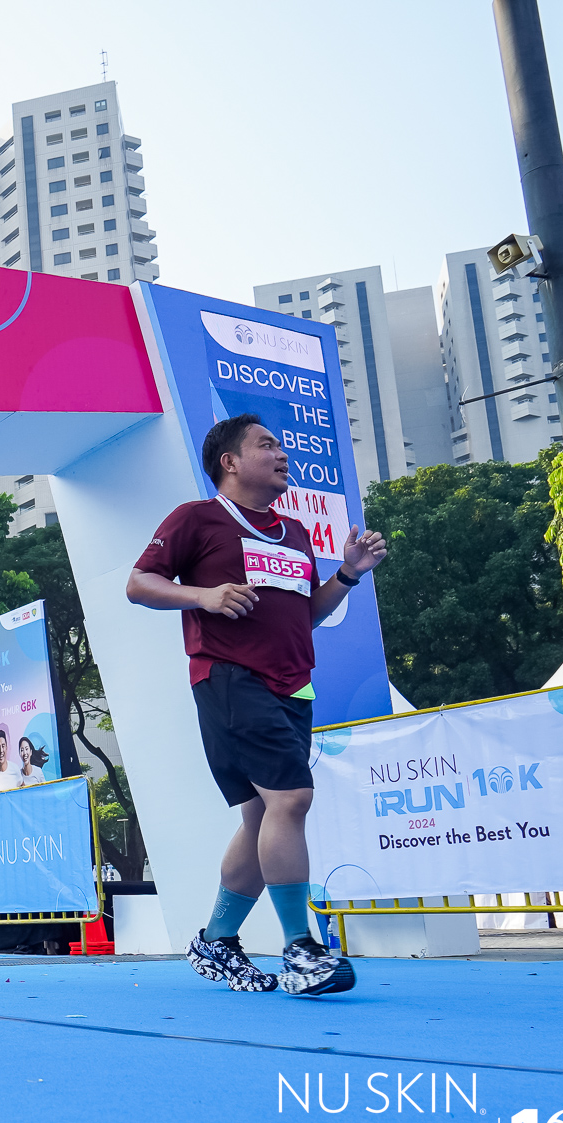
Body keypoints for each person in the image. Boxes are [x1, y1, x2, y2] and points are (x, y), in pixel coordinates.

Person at [127, 411, 386, 997]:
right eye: (266, 445)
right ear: (230, 461)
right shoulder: (197, 518)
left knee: (260, 815)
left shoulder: (294, 530)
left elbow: (305, 615)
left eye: (281, 445)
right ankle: (301, 949)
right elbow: (138, 584)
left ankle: (217, 940)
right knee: (291, 798)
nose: (281, 453)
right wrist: (204, 596)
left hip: (293, 685)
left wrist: (348, 573)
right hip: (229, 677)